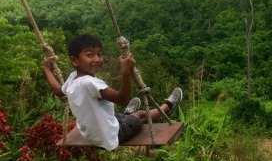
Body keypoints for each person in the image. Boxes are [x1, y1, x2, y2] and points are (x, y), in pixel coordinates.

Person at [43, 34, 182, 150]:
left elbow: (58, 91)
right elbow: (122, 98)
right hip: (111, 135)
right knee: (139, 115)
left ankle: (127, 115)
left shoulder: (73, 77)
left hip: (92, 134)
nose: (97, 59)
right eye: (90, 55)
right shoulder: (90, 82)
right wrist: (125, 72)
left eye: (100, 54)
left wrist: (47, 69)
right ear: (75, 60)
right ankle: (167, 108)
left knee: (115, 114)